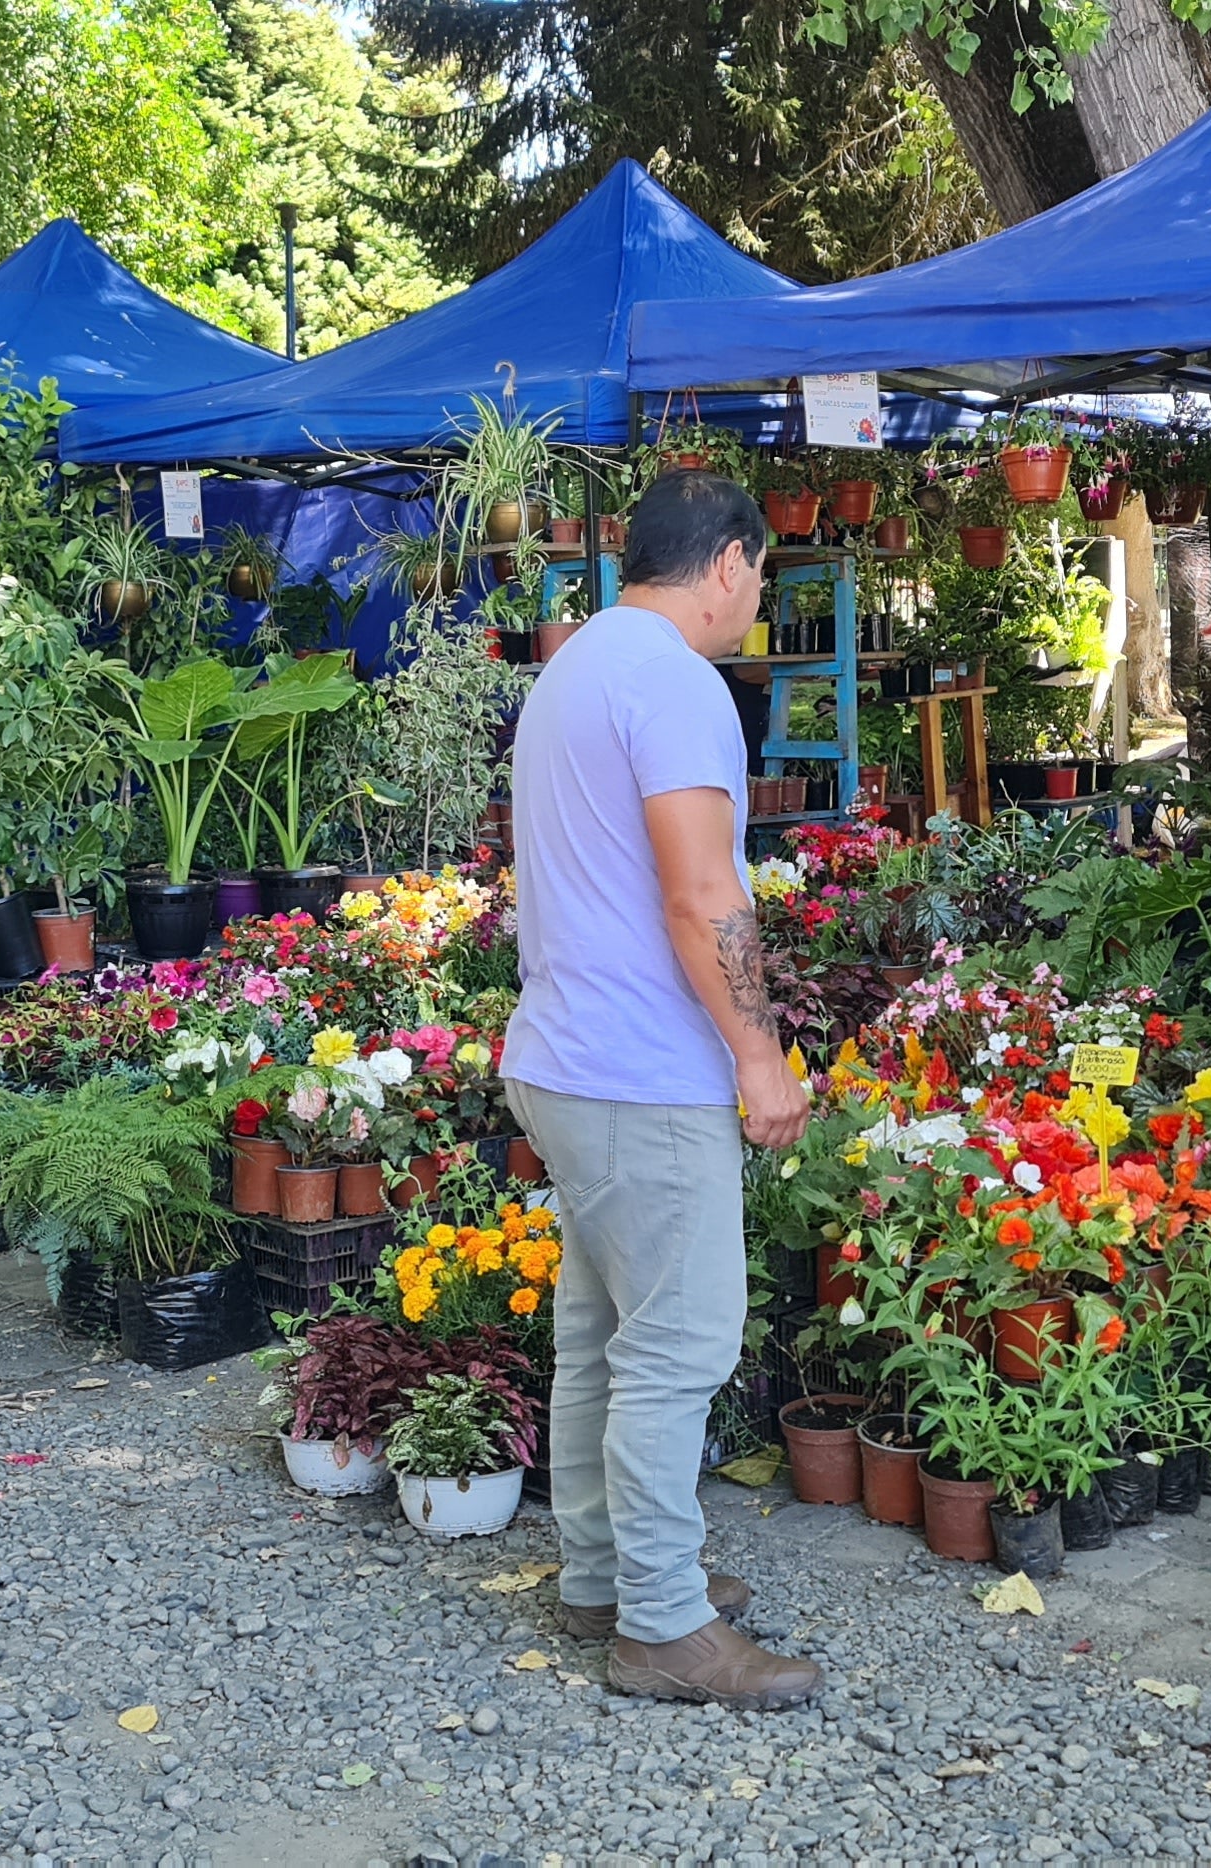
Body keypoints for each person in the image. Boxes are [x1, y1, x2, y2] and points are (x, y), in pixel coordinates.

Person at [500, 471, 818, 1709]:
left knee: (601, 1333)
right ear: (732, 561)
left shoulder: (575, 664)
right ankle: (663, 1626)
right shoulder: (679, 682)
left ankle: (604, 1573)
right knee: (678, 1345)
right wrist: (757, 1052)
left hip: (565, 1057)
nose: (756, 599)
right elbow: (702, 894)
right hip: (643, 1067)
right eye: (762, 577)